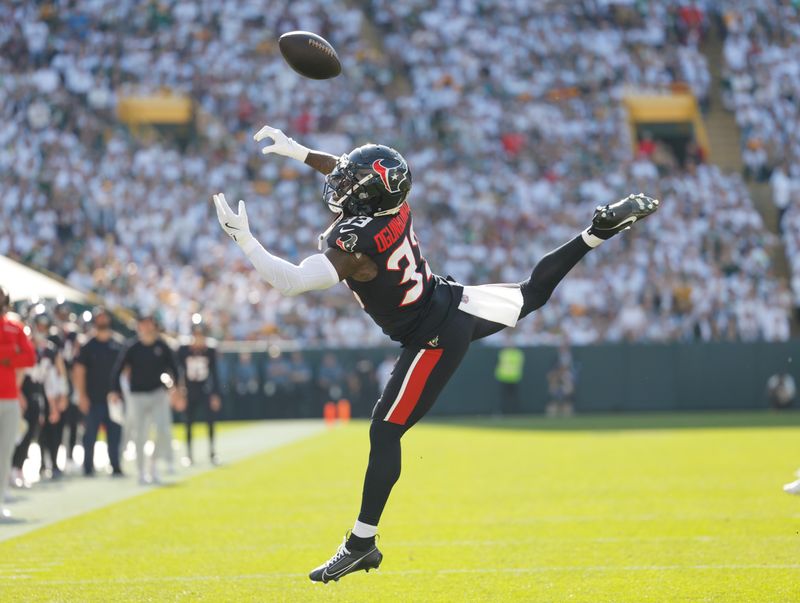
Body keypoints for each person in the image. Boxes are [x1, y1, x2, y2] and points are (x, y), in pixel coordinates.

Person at [212, 124, 659, 582]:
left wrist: (243, 239)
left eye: (350, 183)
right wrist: (300, 152)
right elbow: (355, 177)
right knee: (530, 295)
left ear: (366, 196)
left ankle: (361, 543)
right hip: (450, 300)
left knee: (385, 432)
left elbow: (290, 281)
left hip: (432, 333)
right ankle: (594, 233)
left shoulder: (353, 247)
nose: (339, 183)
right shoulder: (395, 205)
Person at [109, 314, 180, 485]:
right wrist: (114, 391)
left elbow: (174, 369)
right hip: (137, 395)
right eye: (143, 324)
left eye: (149, 324)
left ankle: (153, 464)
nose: (146, 328)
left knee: (163, 430)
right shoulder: (132, 346)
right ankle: (141, 471)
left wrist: (176, 389)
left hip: (158, 393)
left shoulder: (162, 346)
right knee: (140, 434)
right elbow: (118, 369)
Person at [73, 307, 124, 477]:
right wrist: (82, 396)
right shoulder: (88, 345)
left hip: (114, 399)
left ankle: (115, 466)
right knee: (90, 435)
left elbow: (127, 370)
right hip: (93, 398)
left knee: (115, 435)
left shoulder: (118, 344)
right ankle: (88, 467)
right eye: (99, 318)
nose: (102, 321)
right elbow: (79, 371)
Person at [0, 286, 36, 520]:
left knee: (5, 451)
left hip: (10, 396)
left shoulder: (14, 326)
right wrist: (9, 355)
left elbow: (30, 357)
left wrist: (8, 357)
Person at [31, 312, 68, 479]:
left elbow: (60, 373)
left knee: (54, 429)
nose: (41, 329)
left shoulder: (51, 349)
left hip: (50, 395)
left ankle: (53, 462)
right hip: (31, 393)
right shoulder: (28, 345)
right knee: (39, 431)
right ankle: (41, 462)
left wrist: (62, 395)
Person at [177, 323, 221, 465]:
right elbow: (179, 371)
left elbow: (214, 373)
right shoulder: (183, 350)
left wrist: (215, 394)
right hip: (189, 389)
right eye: (196, 334)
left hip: (205, 388)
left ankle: (212, 452)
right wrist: (180, 391)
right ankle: (189, 454)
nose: (198, 338)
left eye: (200, 334)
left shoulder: (210, 350)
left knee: (210, 421)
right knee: (188, 422)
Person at [494, 346, 525, 414]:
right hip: (503, 377)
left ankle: (515, 412)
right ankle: (502, 411)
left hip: (514, 378)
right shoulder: (503, 353)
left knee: (514, 397)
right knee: (503, 397)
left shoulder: (518, 353)